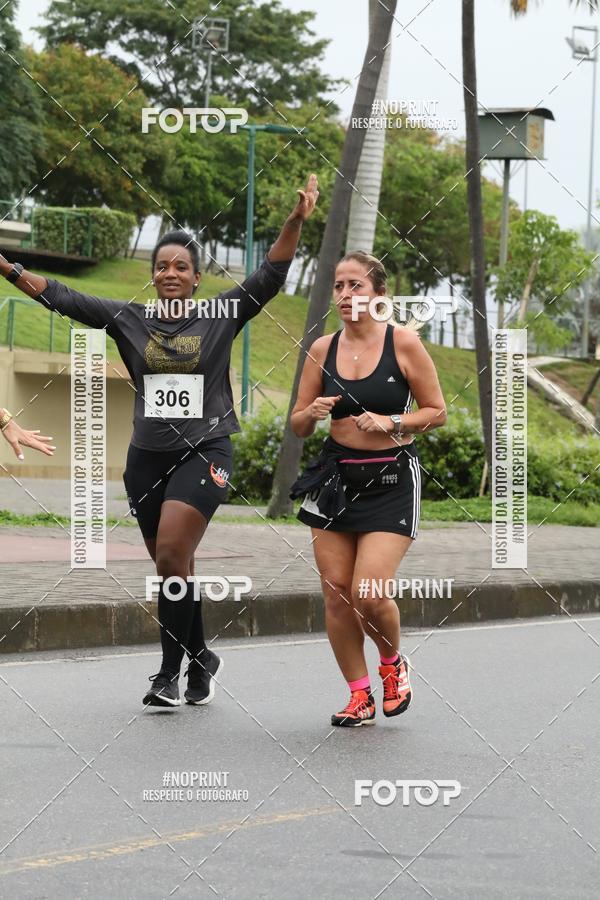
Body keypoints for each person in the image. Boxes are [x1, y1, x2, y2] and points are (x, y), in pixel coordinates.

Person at [0, 172, 319, 707]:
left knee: (172, 551)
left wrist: (294, 221)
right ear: (153, 276)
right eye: (162, 267)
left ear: (196, 278)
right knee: (173, 566)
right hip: (146, 459)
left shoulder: (221, 314)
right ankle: (202, 657)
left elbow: (271, 274)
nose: (170, 273)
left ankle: (168, 673)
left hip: (206, 451)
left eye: (181, 267)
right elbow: (61, 296)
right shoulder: (129, 318)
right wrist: (7, 267)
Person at [290, 250, 447, 727]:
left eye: (355, 285)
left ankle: (392, 664)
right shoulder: (322, 349)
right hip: (335, 479)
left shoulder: (403, 344)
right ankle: (359, 695)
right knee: (337, 592)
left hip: (391, 480)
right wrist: (311, 413)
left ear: (379, 294)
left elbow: (437, 413)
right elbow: (297, 424)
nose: (344, 294)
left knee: (370, 592)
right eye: (339, 285)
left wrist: (391, 421)